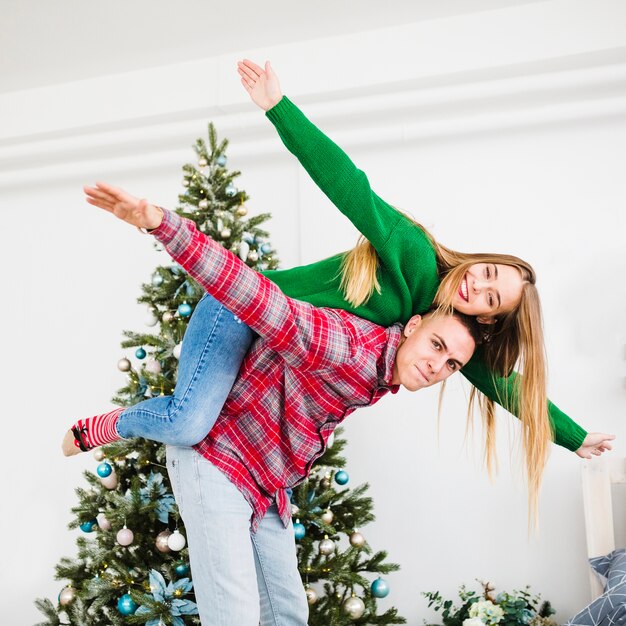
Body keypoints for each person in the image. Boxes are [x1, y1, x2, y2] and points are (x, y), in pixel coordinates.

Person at [63, 61, 614, 519]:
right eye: (488, 272)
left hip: (275, 351)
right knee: (188, 422)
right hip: (239, 312)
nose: (477, 284)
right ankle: (106, 425)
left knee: (254, 458)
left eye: (491, 298)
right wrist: (279, 107)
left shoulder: (446, 338)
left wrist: (575, 436)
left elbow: (509, 388)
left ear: (490, 320)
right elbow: (349, 185)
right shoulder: (414, 252)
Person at [75, 193, 481, 625]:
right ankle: (115, 422)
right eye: (437, 346)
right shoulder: (347, 347)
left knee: (288, 614)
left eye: (452, 364)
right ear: (414, 326)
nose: (438, 366)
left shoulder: (384, 369)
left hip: (264, 487)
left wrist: (564, 437)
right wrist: (164, 226)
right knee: (235, 617)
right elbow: (257, 297)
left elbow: (504, 384)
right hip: (216, 460)